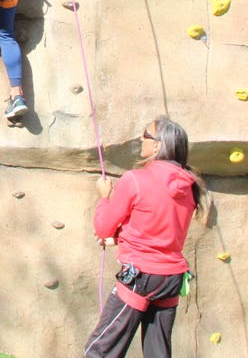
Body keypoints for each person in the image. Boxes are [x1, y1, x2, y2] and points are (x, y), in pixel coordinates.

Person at [83, 116, 206, 358]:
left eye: (146, 135)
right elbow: (160, 229)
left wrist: (104, 197)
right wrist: (121, 238)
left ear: (158, 145)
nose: (141, 139)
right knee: (157, 352)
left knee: (100, 350)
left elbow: (103, 227)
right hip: (171, 278)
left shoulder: (135, 180)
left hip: (140, 275)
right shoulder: (190, 186)